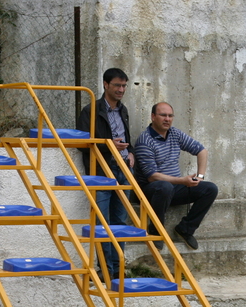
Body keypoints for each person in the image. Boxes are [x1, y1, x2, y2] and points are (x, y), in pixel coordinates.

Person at [134, 102, 218, 250]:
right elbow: (152, 176)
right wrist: (182, 180)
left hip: (174, 187)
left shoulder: (174, 134)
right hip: (150, 190)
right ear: (153, 117)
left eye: (170, 115)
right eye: (163, 115)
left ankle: (185, 229)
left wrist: (200, 176)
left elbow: (202, 151)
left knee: (210, 189)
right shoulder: (144, 141)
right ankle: (156, 230)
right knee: (164, 187)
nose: (167, 119)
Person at [77, 67, 135, 279]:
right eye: (117, 85)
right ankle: (105, 271)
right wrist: (109, 146)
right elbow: (83, 144)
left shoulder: (123, 110)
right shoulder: (90, 110)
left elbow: (127, 137)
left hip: (123, 170)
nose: (121, 90)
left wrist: (131, 154)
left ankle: (118, 271)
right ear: (105, 85)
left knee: (120, 223)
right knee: (103, 224)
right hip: (101, 172)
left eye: (124, 86)